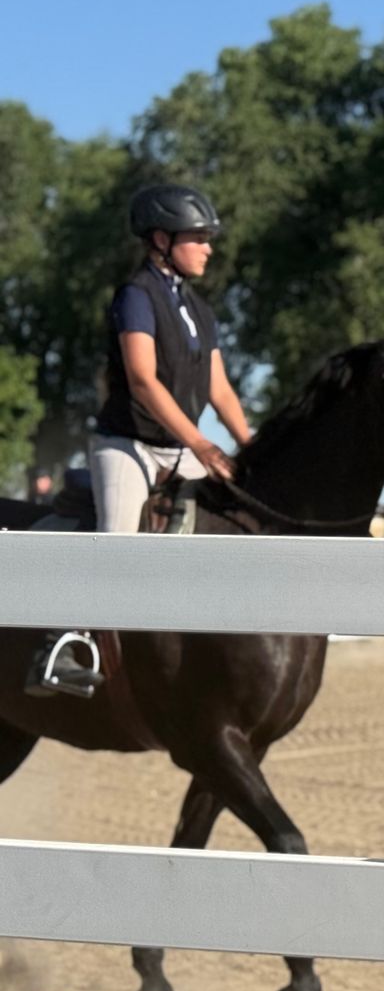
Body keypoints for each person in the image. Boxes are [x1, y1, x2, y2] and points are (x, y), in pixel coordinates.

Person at [29, 184, 253, 697]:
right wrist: (203, 445)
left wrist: (250, 448)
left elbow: (219, 387)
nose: (208, 248)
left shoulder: (198, 308)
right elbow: (143, 380)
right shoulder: (136, 295)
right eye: (198, 238)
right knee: (117, 536)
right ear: (160, 239)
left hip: (181, 448)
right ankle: (69, 645)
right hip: (128, 446)